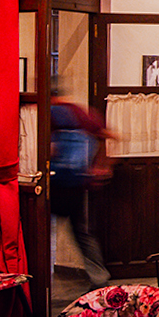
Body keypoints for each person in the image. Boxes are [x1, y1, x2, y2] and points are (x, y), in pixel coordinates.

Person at [50, 97, 114, 288]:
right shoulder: (81, 113)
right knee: (83, 235)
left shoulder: (50, 112)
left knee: (45, 233)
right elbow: (108, 135)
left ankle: (38, 280)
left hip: (54, 183)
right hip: (78, 183)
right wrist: (101, 166)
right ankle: (99, 277)